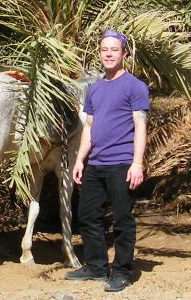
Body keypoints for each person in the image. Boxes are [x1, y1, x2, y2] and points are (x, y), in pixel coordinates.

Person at [65, 29, 149, 292]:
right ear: (100, 54)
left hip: (122, 163)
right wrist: (80, 160)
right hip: (96, 163)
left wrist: (137, 163)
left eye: (114, 49)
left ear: (124, 53)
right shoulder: (95, 90)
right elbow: (89, 127)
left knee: (123, 220)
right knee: (88, 216)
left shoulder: (135, 86)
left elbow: (140, 126)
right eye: (104, 50)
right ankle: (97, 266)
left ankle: (122, 271)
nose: (109, 54)